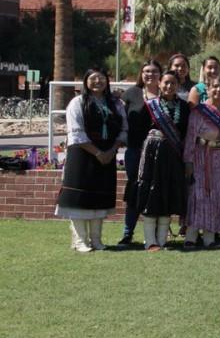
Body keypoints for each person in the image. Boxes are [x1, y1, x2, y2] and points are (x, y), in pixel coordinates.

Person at [57, 67, 127, 252]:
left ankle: (96, 240)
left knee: (99, 197)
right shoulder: (77, 103)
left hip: (107, 155)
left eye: (101, 78)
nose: (98, 81)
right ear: (86, 82)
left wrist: (111, 151)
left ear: (107, 81)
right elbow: (76, 133)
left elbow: (124, 129)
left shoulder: (116, 103)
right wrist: (98, 153)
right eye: (93, 78)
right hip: (82, 156)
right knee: (80, 198)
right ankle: (80, 241)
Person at [136, 71, 191, 252]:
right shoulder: (150, 106)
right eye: (166, 83)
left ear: (178, 85)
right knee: (152, 194)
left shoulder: (184, 107)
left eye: (173, 83)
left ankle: (162, 240)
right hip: (153, 154)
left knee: (168, 193)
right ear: (159, 84)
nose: (169, 86)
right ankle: (149, 241)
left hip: (173, 156)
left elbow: (185, 133)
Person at [182, 76, 220, 249]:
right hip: (200, 156)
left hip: (218, 158)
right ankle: (191, 237)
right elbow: (190, 137)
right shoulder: (199, 111)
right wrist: (188, 162)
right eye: (215, 87)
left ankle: (209, 238)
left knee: (215, 196)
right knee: (198, 196)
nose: (218, 90)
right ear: (208, 89)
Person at [117, 60, 161, 247]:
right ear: (141, 74)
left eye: (154, 71)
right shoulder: (131, 94)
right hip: (136, 150)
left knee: (157, 190)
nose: (150, 74)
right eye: (146, 71)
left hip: (160, 152)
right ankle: (128, 233)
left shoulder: (166, 94)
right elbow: (121, 121)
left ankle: (155, 235)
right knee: (135, 190)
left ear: (160, 74)